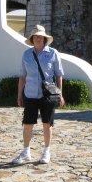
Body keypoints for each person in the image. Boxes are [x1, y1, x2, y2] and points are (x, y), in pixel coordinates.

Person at [12, 25, 65, 165]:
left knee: (47, 123)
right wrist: (19, 95)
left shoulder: (53, 53)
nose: (37, 38)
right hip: (30, 93)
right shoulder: (27, 54)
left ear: (44, 38)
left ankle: (46, 151)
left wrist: (60, 94)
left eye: (39, 36)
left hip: (47, 95)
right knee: (27, 123)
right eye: (34, 36)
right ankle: (26, 152)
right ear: (32, 39)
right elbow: (22, 76)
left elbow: (59, 75)